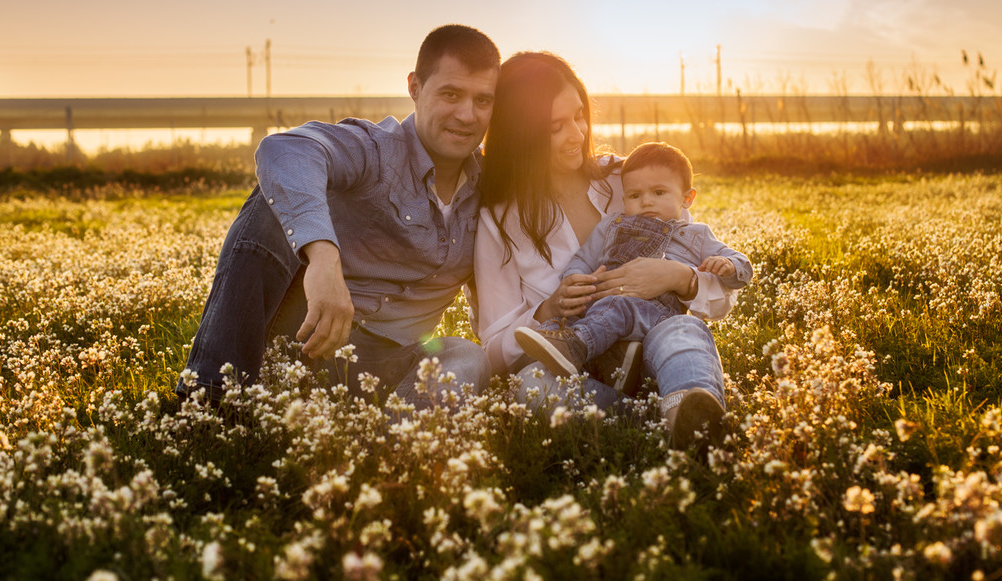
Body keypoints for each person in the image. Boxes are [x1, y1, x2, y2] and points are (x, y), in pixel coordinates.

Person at [177, 24, 500, 408]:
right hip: (308, 339)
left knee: (468, 356)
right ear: (414, 87)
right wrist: (324, 258)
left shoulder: (494, 190)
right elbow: (284, 150)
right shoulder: (375, 150)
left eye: (483, 100)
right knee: (273, 203)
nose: (467, 115)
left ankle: (394, 448)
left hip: (397, 365)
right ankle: (210, 405)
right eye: (451, 94)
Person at [473, 52, 742, 449]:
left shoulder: (629, 178)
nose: (577, 134)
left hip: (656, 347)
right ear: (520, 134)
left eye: (579, 115)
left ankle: (688, 410)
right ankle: (670, 424)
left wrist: (680, 279)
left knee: (683, 330)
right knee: (531, 388)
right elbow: (493, 352)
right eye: (556, 127)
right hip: (576, 368)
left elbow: (720, 300)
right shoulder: (499, 220)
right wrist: (547, 310)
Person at [514, 142, 752, 389]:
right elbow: (584, 258)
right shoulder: (612, 225)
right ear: (624, 197)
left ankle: (576, 346)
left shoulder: (696, 235)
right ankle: (586, 355)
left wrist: (729, 265)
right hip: (603, 307)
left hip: (657, 314)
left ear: (687, 198)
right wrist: (575, 279)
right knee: (577, 314)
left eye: (659, 193)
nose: (646, 202)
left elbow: (743, 267)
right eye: (635, 196)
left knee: (619, 305)